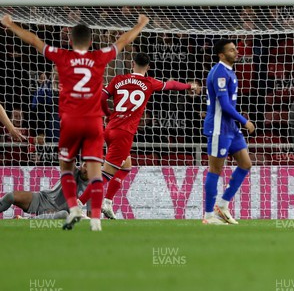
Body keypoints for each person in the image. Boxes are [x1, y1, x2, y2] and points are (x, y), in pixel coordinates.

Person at [1, 13, 149, 231]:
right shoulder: (98, 57)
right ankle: (95, 218)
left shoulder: (63, 56)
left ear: (70, 41)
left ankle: (73, 208)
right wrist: (140, 25)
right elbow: (122, 41)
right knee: (98, 171)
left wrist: (11, 24)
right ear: (91, 42)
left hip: (70, 121)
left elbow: (34, 40)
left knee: (67, 170)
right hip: (92, 121)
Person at [78, 52, 198, 219]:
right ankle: (78, 204)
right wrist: (188, 86)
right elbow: (171, 85)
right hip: (124, 133)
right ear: (148, 67)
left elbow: (101, 99)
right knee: (106, 174)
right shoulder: (149, 82)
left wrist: (108, 114)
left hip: (110, 129)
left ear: (132, 64)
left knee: (126, 166)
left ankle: (107, 202)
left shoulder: (118, 79)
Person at [203, 39, 256, 225]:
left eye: (236, 49)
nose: (236, 52)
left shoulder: (230, 72)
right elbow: (224, 105)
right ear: (221, 55)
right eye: (232, 50)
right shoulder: (219, 72)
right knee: (215, 169)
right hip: (219, 127)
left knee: (245, 164)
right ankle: (209, 216)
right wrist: (245, 121)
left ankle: (223, 204)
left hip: (230, 127)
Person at [0, 163, 89, 219]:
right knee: (10, 196)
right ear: (81, 165)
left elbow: (91, 216)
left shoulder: (92, 188)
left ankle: (26, 221)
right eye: (85, 165)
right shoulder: (72, 171)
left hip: (59, 213)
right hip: (44, 199)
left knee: (64, 214)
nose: (86, 170)